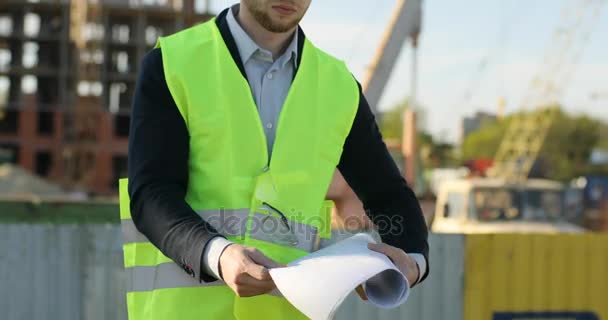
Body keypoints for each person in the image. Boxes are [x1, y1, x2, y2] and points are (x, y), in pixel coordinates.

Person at [124, 1, 429, 319]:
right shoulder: (173, 64)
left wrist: (412, 262)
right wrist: (219, 255)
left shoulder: (338, 86)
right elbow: (151, 195)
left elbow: (390, 195)